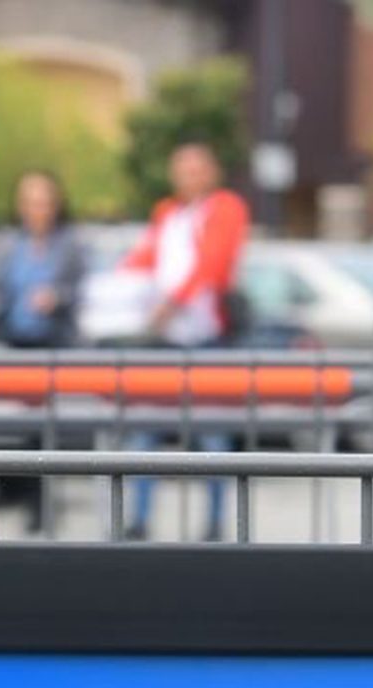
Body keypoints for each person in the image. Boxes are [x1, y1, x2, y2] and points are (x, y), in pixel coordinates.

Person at [121, 143, 251, 541]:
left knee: (212, 434)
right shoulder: (168, 212)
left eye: (197, 170)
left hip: (206, 337)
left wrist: (172, 303)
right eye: (182, 170)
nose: (189, 178)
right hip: (165, 340)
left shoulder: (225, 207)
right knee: (145, 432)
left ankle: (215, 522)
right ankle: (139, 519)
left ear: (212, 173)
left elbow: (213, 263)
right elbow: (144, 258)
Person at [0, 170, 85, 349]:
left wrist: (57, 298)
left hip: (57, 344)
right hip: (12, 342)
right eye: (31, 204)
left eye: (43, 204)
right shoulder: (10, 244)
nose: (37, 211)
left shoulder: (70, 246)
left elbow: (82, 292)